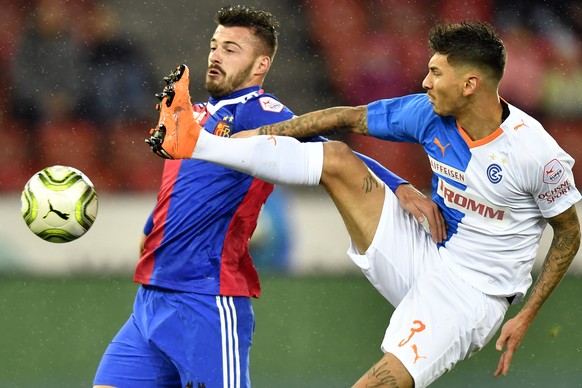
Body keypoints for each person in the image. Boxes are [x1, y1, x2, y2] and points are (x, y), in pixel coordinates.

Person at [146, 21, 581, 387]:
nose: (425, 82)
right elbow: (344, 117)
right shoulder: (427, 112)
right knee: (337, 157)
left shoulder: (535, 154)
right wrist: (251, 137)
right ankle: (196, 142)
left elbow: (569, 232)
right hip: (426, 248)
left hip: (472, 296)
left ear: (470, 85)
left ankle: (198, 142)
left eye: (435, 73)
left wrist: (526, 315)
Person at [96, 5, 439, 388]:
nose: (215, 55)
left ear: (260, 65)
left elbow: (333, 154)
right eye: (214, 45)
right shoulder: (190, 115)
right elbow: (180, 191)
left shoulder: (258, 112)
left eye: (231, 49)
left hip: (207, 299)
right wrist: (152, 230)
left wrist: (398, 186)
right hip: (151, 299)